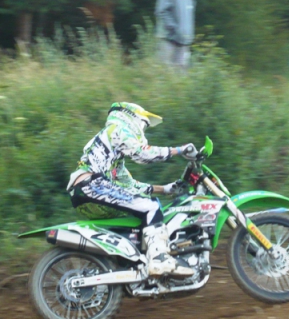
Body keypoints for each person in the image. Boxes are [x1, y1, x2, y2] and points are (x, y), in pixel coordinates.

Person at [66, 102, 197, 277]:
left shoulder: (113, 154)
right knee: (151, 207)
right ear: (131, 117)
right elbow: (143, 154)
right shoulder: (117, 129)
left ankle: (130, 266)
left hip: (85, 191)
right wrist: (179, 150)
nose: (143, 131)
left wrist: (165, 189)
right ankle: (159, 259)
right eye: (144, 125)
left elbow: (130, 185)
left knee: (136, 219)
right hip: (91, 185)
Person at [155, 0, 198, 69]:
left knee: (181, 73)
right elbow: (161, 11)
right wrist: (173, 28)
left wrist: (187, 36)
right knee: (163, 70)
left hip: (184, 42)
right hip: (168, 39)